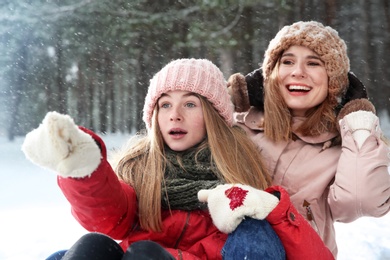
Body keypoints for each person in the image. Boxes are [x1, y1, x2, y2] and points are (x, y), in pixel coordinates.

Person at [22, 58, 333, 260]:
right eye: (165, 105)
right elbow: (109, 216)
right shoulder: (140, 167)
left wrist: (269, 207)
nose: (175, 116)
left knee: (151, 253)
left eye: (191, 104)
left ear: (213, 115)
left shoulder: (241, 169)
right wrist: (83, 169)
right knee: (89, 248)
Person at [227, 21, 390, 257]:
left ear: (332, 80)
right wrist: (225, 102)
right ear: (272, 73)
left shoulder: (343, 147)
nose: (298, 72)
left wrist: (357, 122)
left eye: (313, 63)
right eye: (288, 61)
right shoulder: (239, 127)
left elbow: (362, 202)